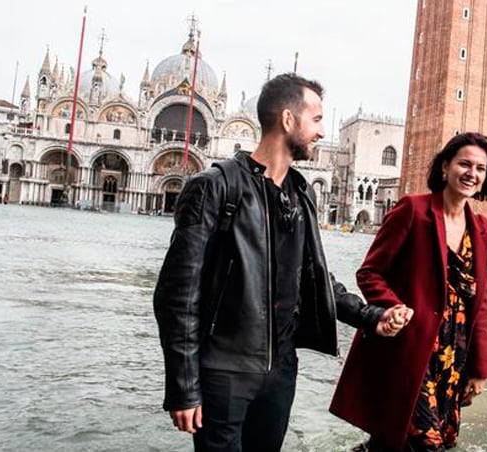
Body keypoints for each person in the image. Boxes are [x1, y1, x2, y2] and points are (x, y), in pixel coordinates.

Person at [153, 73, 409, 452]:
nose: (321, 132)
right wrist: (184, 387)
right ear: (288, 120)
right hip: (224, 373)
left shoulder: (301, 193)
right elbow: (177, 296)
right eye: (317, 120)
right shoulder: (214, 186)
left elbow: (316, 276)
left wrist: (371, 316)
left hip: (280, 374)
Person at [330, 132, 487, 451]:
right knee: (426, 444)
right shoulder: (413, 210)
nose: (472, 173)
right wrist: (392, 307)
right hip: (412, 348)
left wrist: (480, 368)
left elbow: (481, 303)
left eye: (480, 168)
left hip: (453, 355)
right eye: (464, 164)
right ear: (444, 167)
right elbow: (369, 272)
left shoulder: (481, 227)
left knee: (395, 442)